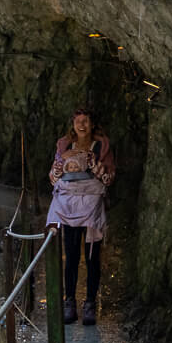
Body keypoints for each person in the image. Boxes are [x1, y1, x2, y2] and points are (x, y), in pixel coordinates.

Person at [46, 107, 114, 325]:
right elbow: (53, 178)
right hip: (68, 203)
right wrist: (62, 160)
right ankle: (70, 302)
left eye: (86, 121)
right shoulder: (64, 145)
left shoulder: (101, 146)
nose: (82, 125)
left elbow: (108, 179)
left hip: (92, 201)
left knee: (93, 257)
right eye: (78, 121)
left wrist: (90, 161)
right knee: (72, 254)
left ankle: (90, 304)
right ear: (73, 124)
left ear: (92, 123)